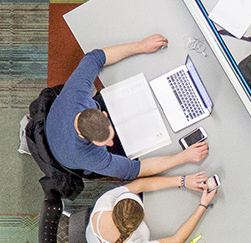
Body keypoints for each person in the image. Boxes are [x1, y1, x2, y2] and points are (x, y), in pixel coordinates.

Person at [45, 34, 209, 180]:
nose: (110, 143)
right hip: (66, 152)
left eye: (109, 137)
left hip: (60, 126)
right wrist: (183, 157)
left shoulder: (76, 94)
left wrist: (140, 46)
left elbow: (95, 57)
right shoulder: (90, 157)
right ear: (85, 137)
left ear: (104, 114)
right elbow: (136, 170)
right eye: (105, 142)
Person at [86, 173, 217, 243]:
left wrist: (183, 181)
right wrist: (203, 205)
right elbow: (176, 241)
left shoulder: (106, 201)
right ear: (143, 217)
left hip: (94, 240)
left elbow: (140, 185)